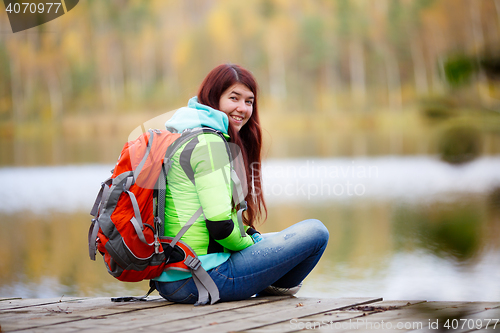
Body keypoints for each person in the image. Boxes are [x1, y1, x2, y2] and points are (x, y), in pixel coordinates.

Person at [153, 64, 329, 304]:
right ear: (214, 98)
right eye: (234, 98)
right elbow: (220, 228)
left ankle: (267, 283)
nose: (242, 108)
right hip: (201, 278)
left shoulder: (185, 134)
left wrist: (252, 237)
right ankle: (273, 289)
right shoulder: (209, 143)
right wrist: (248, 243)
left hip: (175, 275)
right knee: (316, 232)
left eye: (249, 101)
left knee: (281, 238)